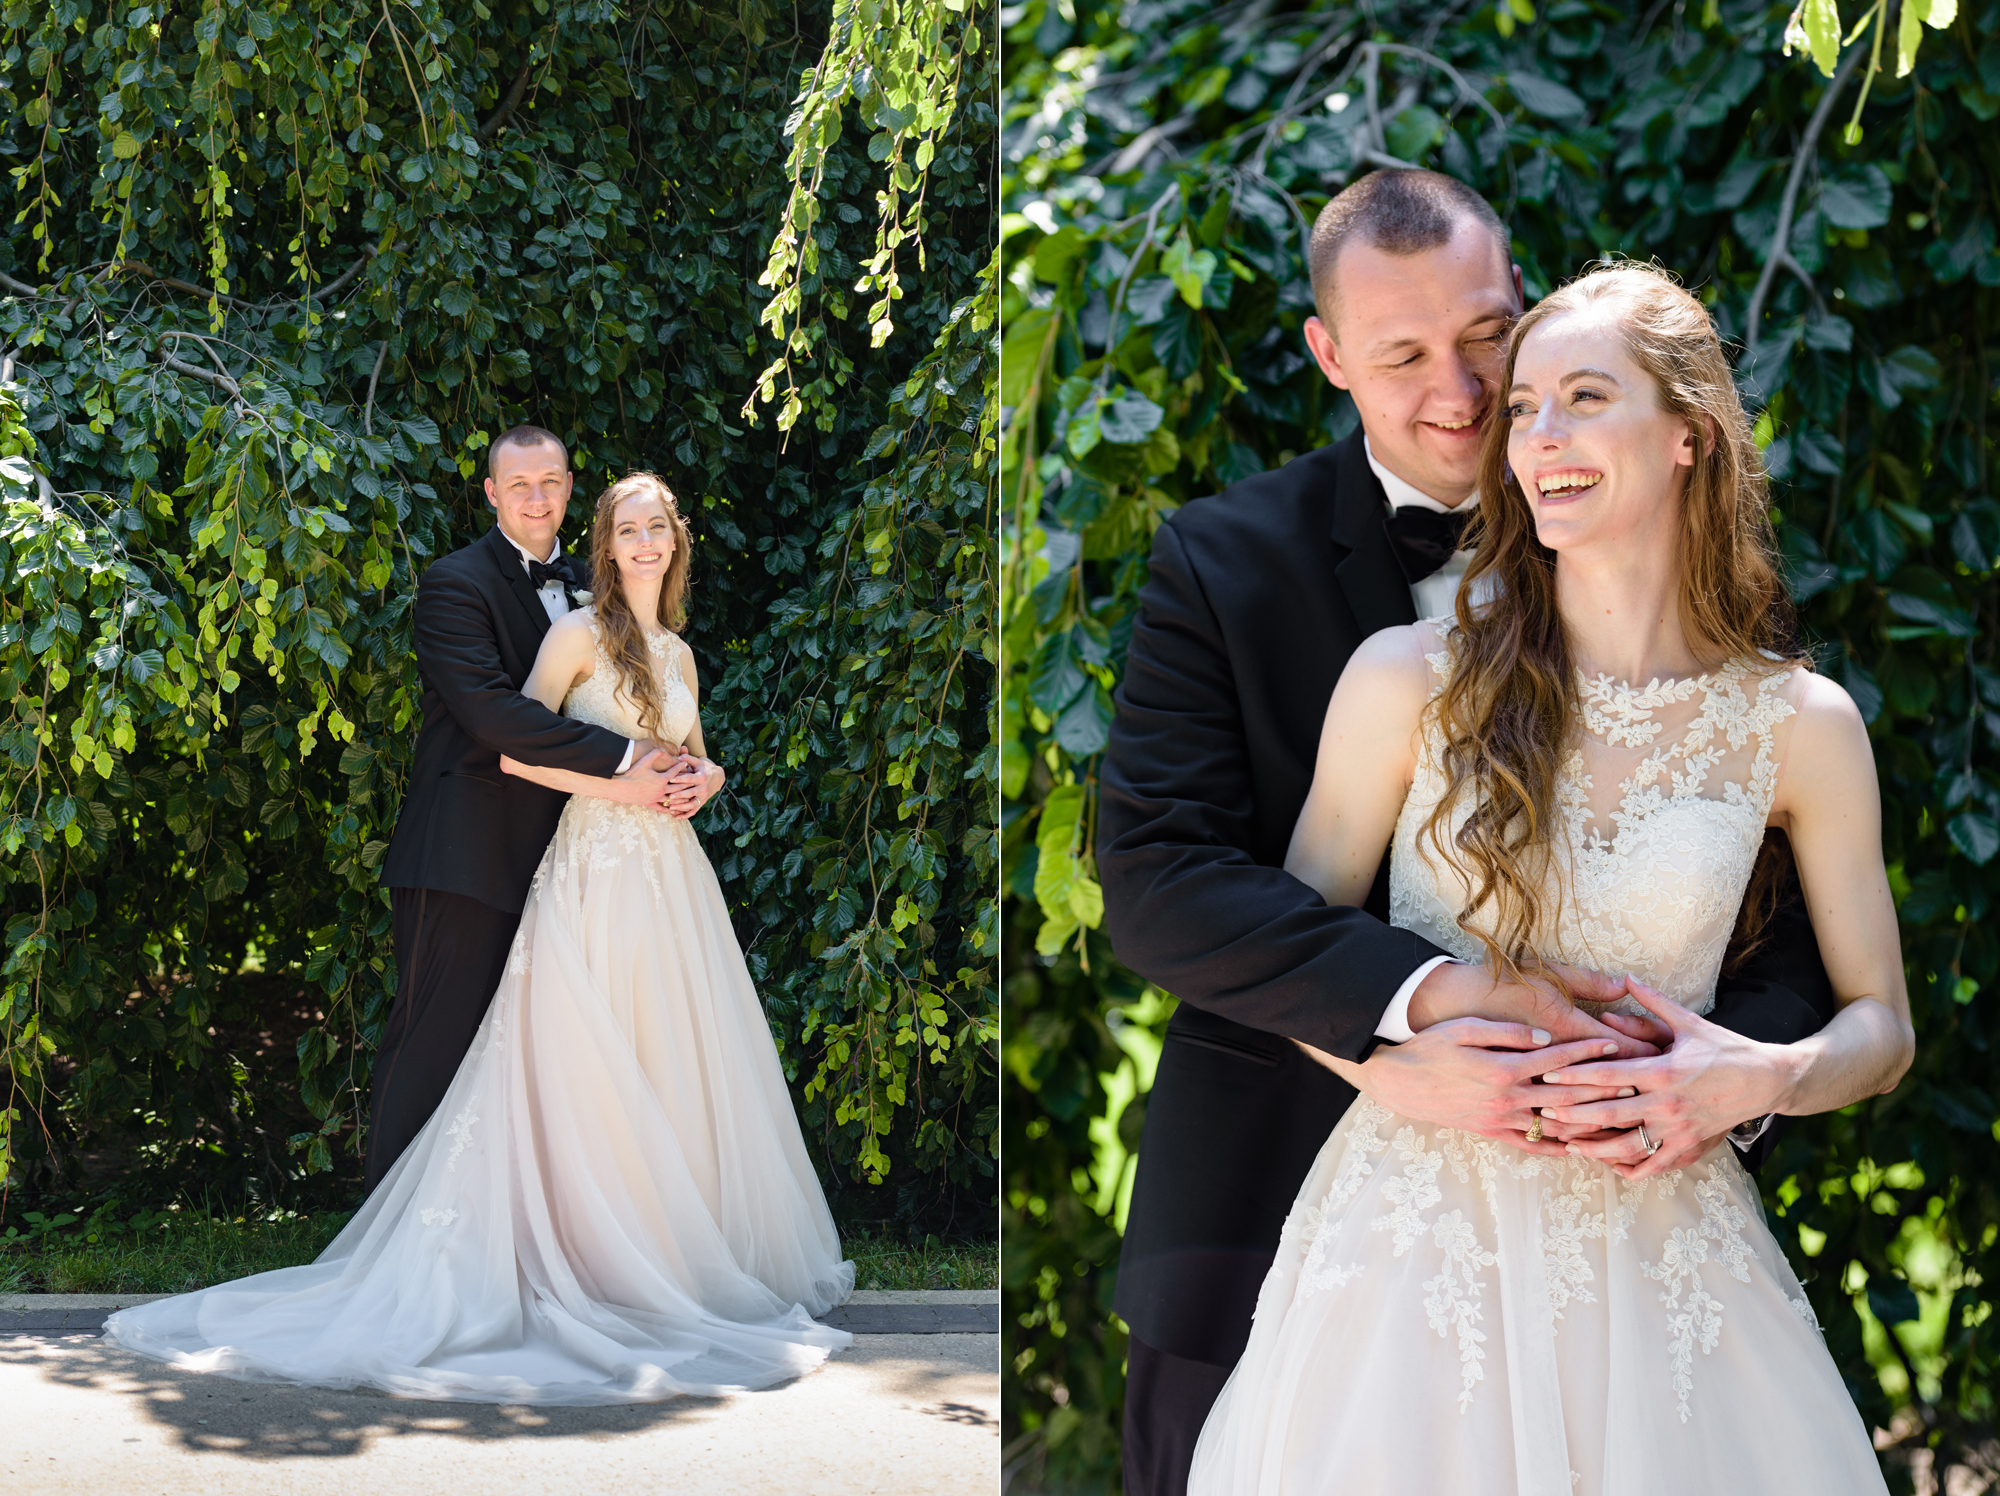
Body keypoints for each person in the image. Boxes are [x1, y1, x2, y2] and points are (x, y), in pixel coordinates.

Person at [1097, 171, 1838, 1496]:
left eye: (1489, 334)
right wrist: (1415, 1013)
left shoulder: (1681, 587)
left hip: (1626, 1242)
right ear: (1329, 357)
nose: (1465, 389)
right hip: (1269, 1208)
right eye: (1403, 355)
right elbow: (1159, 881)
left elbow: (1773, 925)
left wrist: (1714, 1078)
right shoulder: (1223, 560)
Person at [103, 469, 855, 1402]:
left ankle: (665, 1252)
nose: (645, 543)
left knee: (667, 1059)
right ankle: (446, 1249)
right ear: (604, 540)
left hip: (670, 885)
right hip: (585, 866)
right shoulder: (573, 629)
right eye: (629, 529)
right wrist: (625, 783)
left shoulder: (680, 652)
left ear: (677, 539)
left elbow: (695, 758)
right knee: (559, 1059)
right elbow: (514, 742)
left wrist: (712, 780)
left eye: (657, 527)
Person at [367, 425, 709, 1195]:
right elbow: (492, 716)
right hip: (466, 856)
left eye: (550, 481)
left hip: (574, 869)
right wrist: (630, 764)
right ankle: (383, 1240)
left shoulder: (602, 598)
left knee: (541, 1070)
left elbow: (655, 708)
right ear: (491, 493)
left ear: (568, 490)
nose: (536, 497)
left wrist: (698, 768)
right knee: (436, 1045)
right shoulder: (456, 583)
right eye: (518, 484)